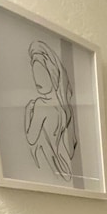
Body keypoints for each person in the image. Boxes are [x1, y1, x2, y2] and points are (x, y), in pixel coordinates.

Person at [24, 40, 77, 181]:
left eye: (41, 74)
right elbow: (71, 148)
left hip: (50, 165)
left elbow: (31, 138)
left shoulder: (41, 105)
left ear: (53, 75)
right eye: (35, 73)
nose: (37, 80)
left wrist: (27, 113)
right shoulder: (63, 108)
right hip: (64, 167)